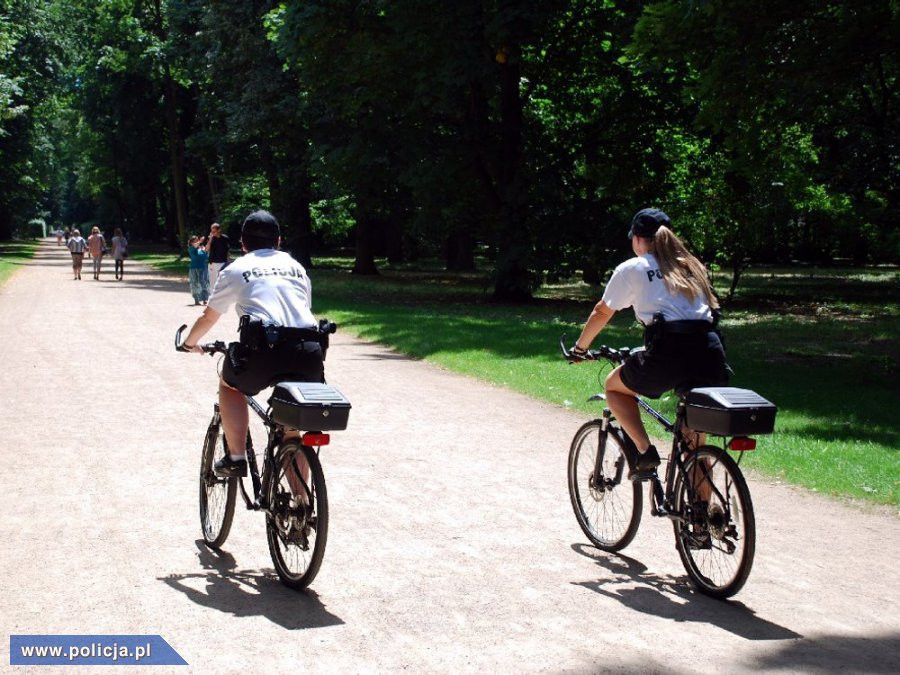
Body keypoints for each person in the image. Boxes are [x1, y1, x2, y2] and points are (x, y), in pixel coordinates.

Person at [570, 208, 729, 479]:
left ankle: (645, 452)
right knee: (694, 442)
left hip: (670, 352)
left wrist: (580, 348)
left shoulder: (635, 267)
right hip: (710, 351)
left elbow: (602, 311)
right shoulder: (692, 265)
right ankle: (706, 514)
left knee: (614, 387)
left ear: (638, 240)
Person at [180, 210, 324, 477]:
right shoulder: (297, 267)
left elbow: (209, 316)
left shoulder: (236, 269)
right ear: (279, 241)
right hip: (309, 353)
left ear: (243, 243)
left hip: (264, 352)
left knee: (230, 384)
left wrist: (189, 343)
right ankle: (301, 507)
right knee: (291, 428)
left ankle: (235, 457)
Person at [204, 222, 230, 290]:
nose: (212, 233)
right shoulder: (211, 239)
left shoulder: (225, 238)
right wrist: (210, 239)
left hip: (222, 263)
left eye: (214, 231)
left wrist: (228, 261)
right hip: (212, 263)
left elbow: (227, 251)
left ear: (219, 230)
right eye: (211, 231)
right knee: (212, 282)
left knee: (221, 282)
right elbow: (206, 249)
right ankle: (212, 298)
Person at [187, 235, 211, 305]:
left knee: (204, 283)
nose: (197, 242)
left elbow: (207, 249)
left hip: (203, 268)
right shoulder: (191, 248)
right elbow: (195, 246)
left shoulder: (202, 248)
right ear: (191, 242)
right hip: (194, 269)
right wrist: (200, 241)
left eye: (197, 240)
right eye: (195, 241)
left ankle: (205, 299)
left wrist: (210, 239)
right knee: (194, 284)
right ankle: (196, 300)